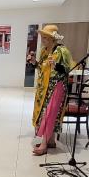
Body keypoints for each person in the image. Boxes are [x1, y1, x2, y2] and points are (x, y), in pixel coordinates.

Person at [32, 24, 74, 156]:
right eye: (42, 37)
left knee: (49, 113)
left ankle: (43, 145)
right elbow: (42, 68)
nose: (43, 40)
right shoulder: (44, 51)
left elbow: (67, 69)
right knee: (45, 112)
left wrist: (56, 65)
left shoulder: (62, 51)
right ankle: (50, 141)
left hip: (57, 86)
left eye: (45, 37)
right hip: (44, 87)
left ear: (52, 38)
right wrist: (34, 63)